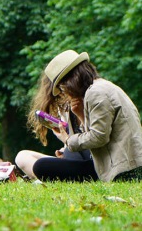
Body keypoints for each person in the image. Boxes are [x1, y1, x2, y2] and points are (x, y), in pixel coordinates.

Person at [17, 50, 142, 182]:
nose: (64, 91)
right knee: (34, 161)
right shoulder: (99, 88)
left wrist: (67, 140)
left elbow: (99, 137)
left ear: (71, 79)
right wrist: (80, 114)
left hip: (123, 169)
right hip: (118, 163)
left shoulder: (96, 93)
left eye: (62, 86)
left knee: (41, 166)